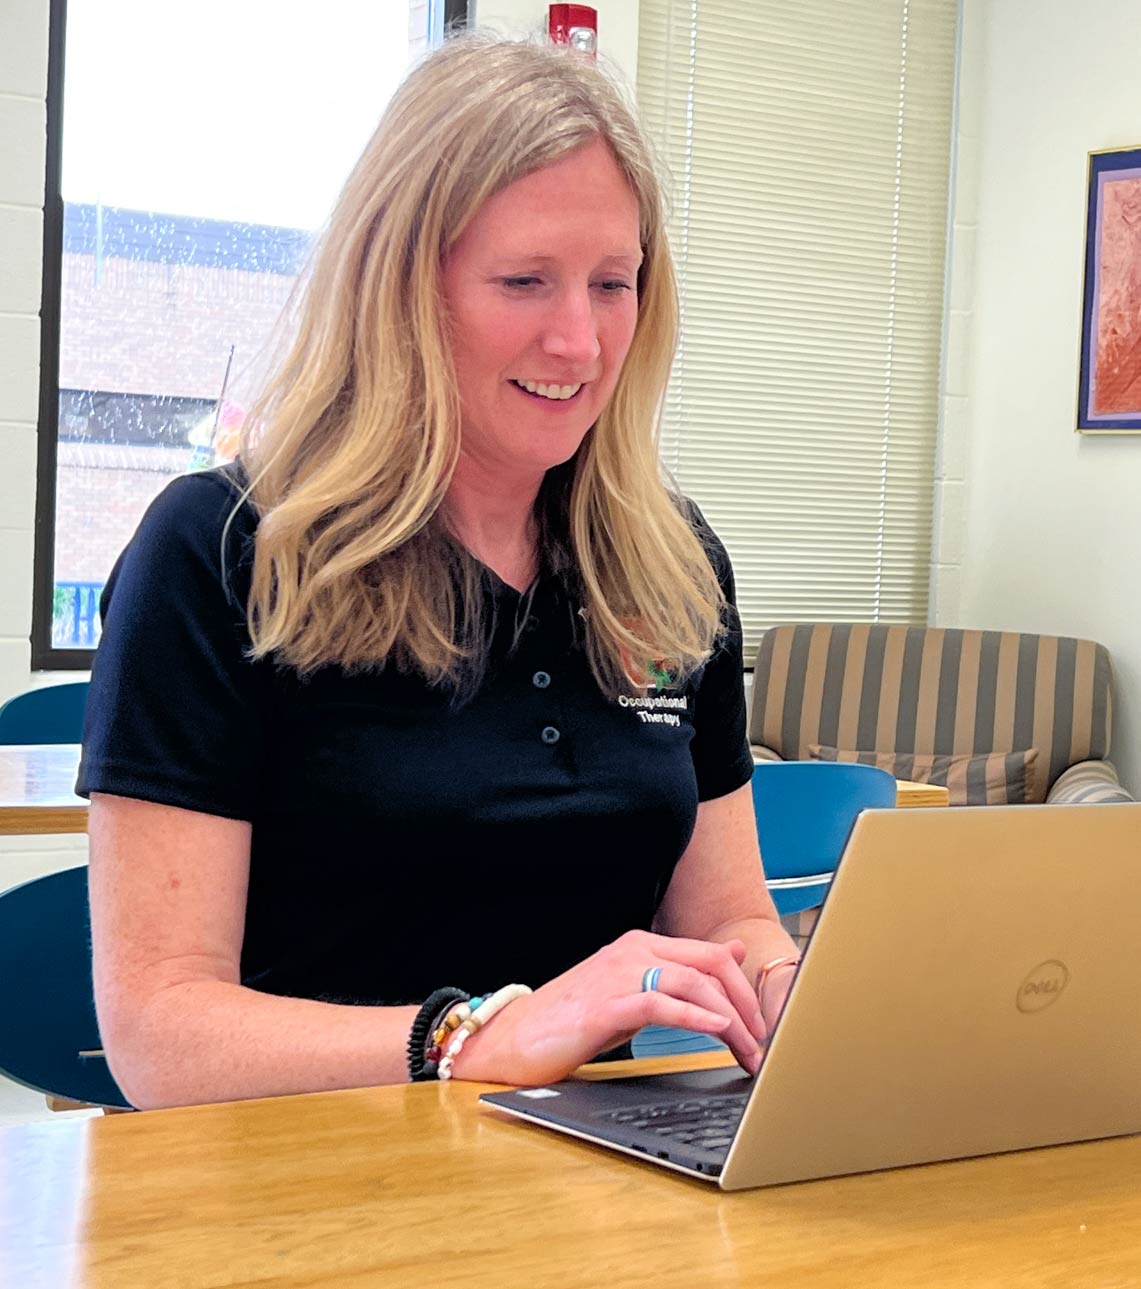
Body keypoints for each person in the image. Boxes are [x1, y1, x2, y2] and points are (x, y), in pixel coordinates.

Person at [79, 32, 800, 1109]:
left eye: (613, 283)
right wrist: (471, 1034)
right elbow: (161, 1033)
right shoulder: (224, 551)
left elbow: (727, 915)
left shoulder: (671, 564)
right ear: (400, 288)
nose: (580, 340)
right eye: (524, 281)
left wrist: (800, 991)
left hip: (594, 1193)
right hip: (294, 1195)